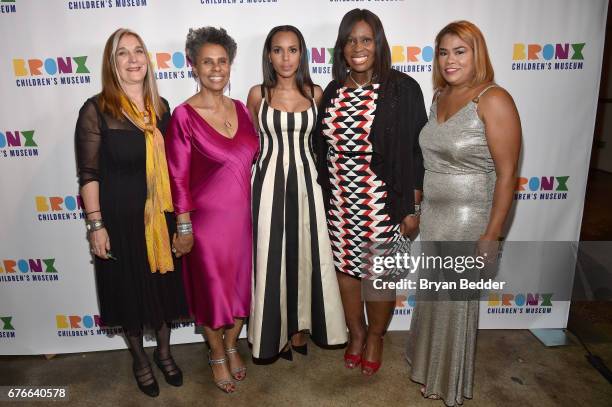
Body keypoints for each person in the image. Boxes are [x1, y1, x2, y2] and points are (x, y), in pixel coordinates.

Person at [406, 20, 521, 406]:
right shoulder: (439, 96)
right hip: (435, 214)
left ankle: (449, 383)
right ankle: (427, 368)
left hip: (469, 216)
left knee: (455, 304)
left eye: (460, 51)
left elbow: (507, 176)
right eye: (443, 52)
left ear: (477, 54)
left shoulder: (492, 99)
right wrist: (418, 207)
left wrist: (492, 234)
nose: (450, 60)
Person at [75, 28, 188, 398]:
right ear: (112, 64)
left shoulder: (161, 108)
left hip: (161, 218)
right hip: (121, 222)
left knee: (162, 286)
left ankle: (165, 352)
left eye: (138, 51)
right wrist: (96, 225)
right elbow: (89, 175)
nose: (133, 59)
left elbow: (175, 168)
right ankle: (140, 359)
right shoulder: (96, 110)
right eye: (123, 53)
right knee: (128, 292)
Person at [313, 8, 427, 376]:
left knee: (378, 273)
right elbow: (321, 146)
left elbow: (416, 150)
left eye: (365, 39)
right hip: (341, 198)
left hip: (382, 199)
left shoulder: (402, 88)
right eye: (350, 40)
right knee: (347, 271)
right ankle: (356, 333)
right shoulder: (332, 91)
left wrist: (412, 205)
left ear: (378, 44)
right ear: (341, 49)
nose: (357, 47)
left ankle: (376, 336)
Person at [165, 27, 259, 394]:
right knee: (212, 295)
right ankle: (217, 354)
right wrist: (184, 227)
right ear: (193, 66)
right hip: (205, 227)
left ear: (230, 65)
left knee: (240, 296)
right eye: (208, 62)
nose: (216, 68)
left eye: (222, 61)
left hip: (244, 222)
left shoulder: (240, 110)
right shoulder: (184, 116)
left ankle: (233, 344)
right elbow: (177, 177)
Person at [246, 25, 347, 363]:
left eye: (292, 49)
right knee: (271, 258)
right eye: (278, 50)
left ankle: (301, 328)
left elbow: (324, 144)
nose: (285, 57)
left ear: (302, 53)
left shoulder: (316, 92)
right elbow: (248, 145)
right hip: (268, 182)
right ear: (269, 55)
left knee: (306, 254)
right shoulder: (257, 95)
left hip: (307, 182)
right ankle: (275, 332)